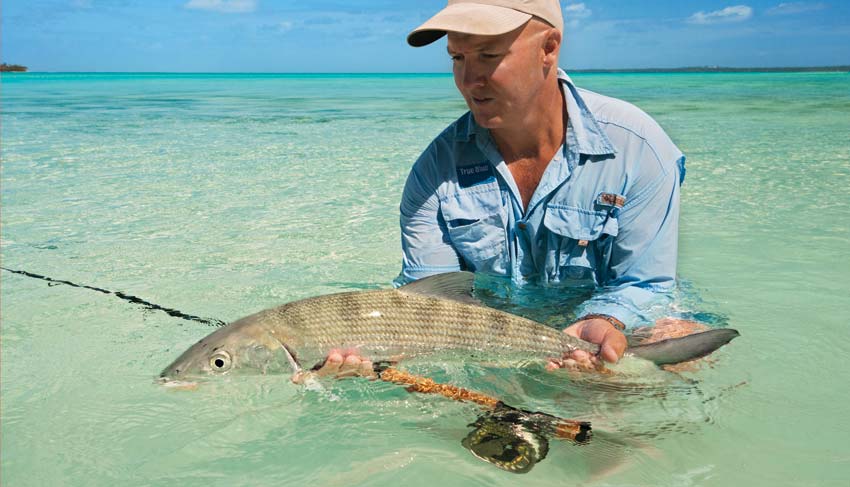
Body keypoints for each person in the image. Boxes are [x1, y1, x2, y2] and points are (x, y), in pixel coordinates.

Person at [312, 0, 688, 379]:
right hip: (491, 342)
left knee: (686, 349)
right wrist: (377, 357)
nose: (468, 79)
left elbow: (646, 284)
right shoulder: (434, 172)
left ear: (549, 48)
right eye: (457, 58)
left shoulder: (638, 148)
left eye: (488, 56)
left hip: (608, 328)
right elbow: (428, 299)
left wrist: (604, 320)